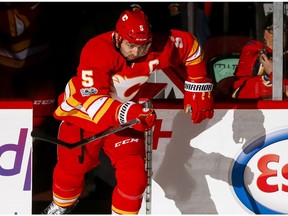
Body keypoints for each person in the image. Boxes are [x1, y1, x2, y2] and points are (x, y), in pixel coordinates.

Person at [42, 7, 214, 215]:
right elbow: (93, 100)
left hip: (126, 116)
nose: (136, 52)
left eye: (143, 46)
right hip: (82, 114)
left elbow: (191, 46)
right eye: (130, 45)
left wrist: (197, 82)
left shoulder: (159, 46)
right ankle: (61, 206)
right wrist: (130, 112)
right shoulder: (97, 49)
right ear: (118, 38)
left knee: (134, 179)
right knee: (71, 170)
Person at [229, 13, 287, 99]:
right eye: (272, 30)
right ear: (263, 33)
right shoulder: (252, 51)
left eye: (284, 30)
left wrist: (272, 72)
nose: (278, 35)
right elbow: (239, 94)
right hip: (253, 109)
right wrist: (271, 75)